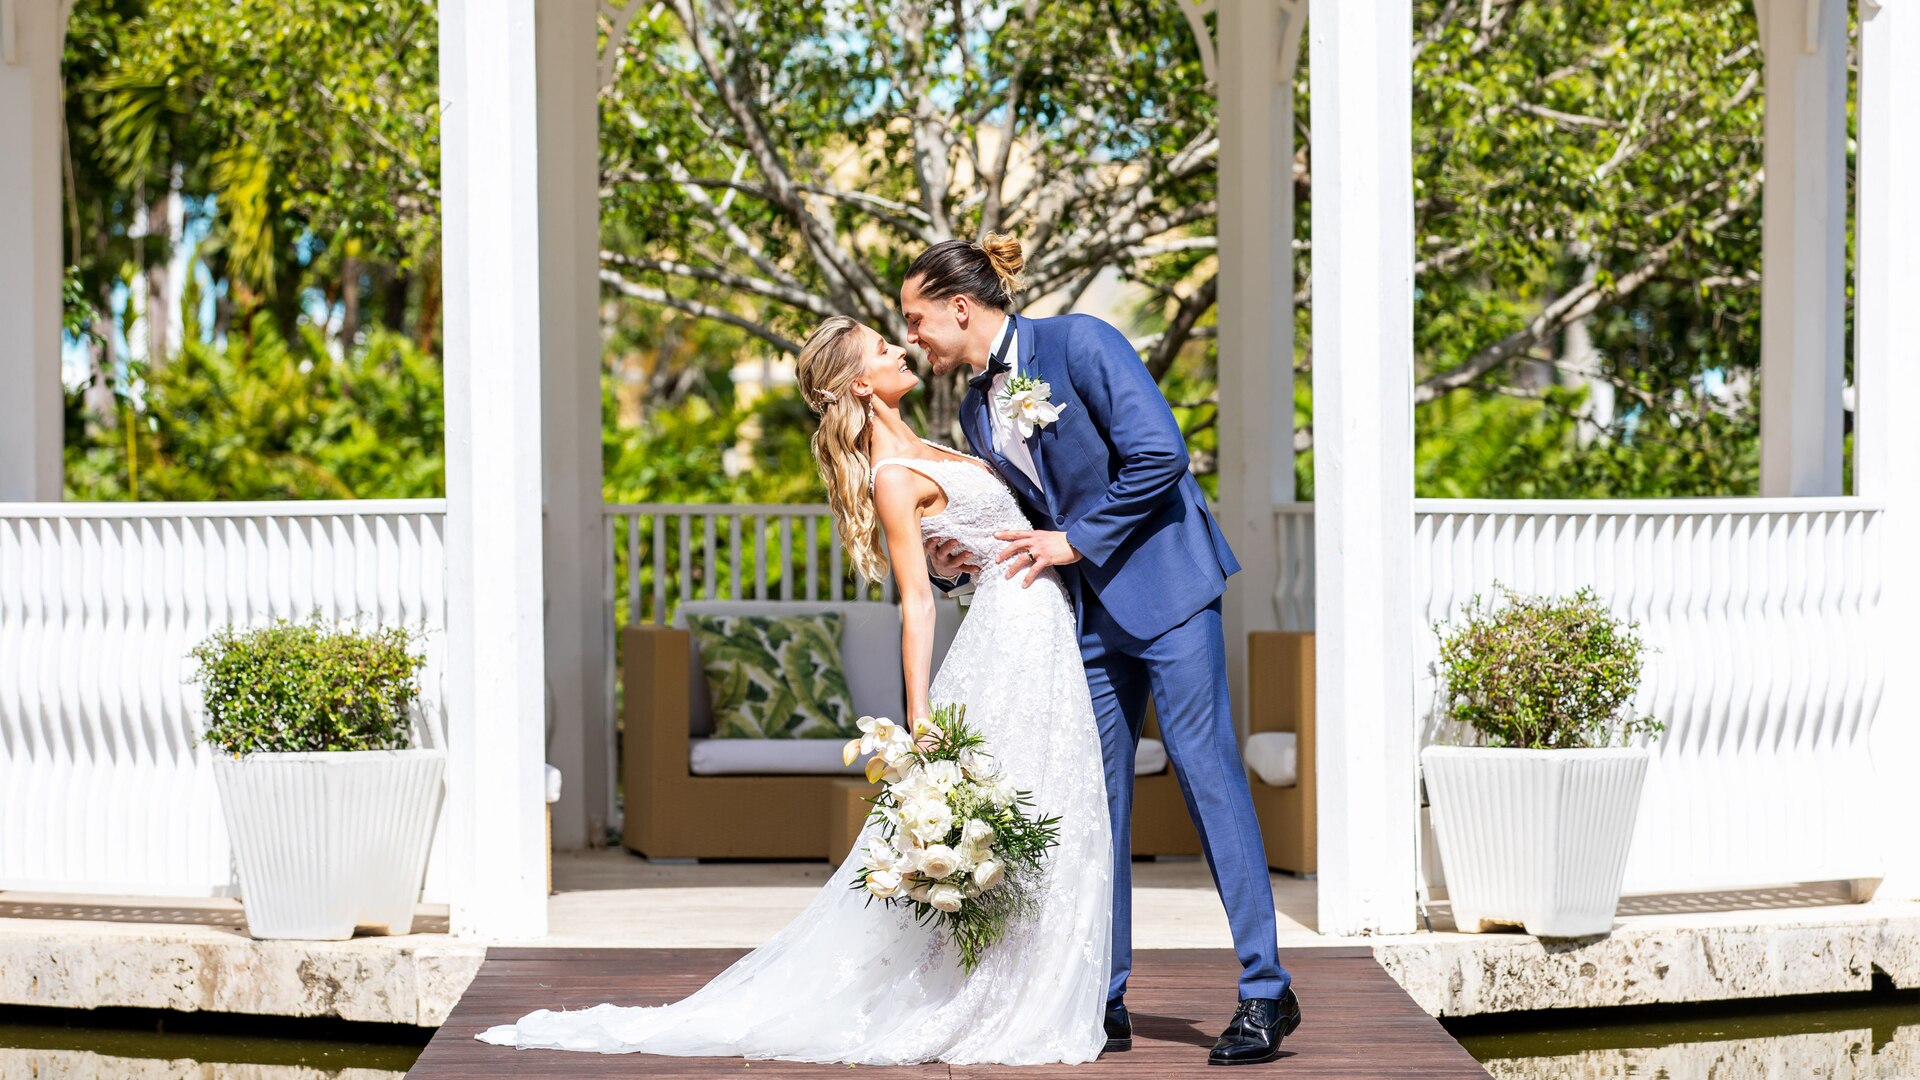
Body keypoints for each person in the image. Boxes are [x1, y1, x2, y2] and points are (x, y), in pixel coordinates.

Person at [475, 311, 1114, 1065]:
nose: (901, 348)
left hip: (1037, 631)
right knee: (1024, 812)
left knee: (1057, 808)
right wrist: (919, 716)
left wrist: (959, 560)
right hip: (1006, 643)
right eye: (882, 348)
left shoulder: (940, 444)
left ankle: (1029, 987)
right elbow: (915, 600)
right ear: (856, 383)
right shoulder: (894, 476)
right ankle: (993, 997)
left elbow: (962, 553)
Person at [906, 233, 1301, 1066]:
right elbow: (1021, 520)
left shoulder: (1083, 341)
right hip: (1087, 618)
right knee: (1095, 801)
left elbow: (1162, 455)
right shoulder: (977, 410)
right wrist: (955, 566)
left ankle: (1267, 991)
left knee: (1207, 780)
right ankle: (1105, 993)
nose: (914, 337)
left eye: (916, 319)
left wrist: (1073, 542)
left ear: (960, 307)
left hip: (1169, 591)